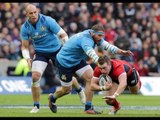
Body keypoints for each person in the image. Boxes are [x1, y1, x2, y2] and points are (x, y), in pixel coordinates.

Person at [48, 23, 134, 114]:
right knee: (66, 90)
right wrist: (103, 68)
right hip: (64, 63)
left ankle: (88, 108)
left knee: (90, 77)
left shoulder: (95, 37)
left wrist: (121, 52)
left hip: (77, 60)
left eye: (102, 35)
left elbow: (107, 46)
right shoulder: (86, 40)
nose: (101, 38)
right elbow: (92, 54)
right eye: (99, 35)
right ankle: (52, 98)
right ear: (93, 33)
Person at [20, 4, 85, 113]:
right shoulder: (25, 28)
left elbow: (63, 35)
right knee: (35, 77)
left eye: (35, 12)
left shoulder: (48, 20)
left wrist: (66, 49)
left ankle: (79, 90)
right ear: (26, 14)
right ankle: (36, 106)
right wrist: (27, 58)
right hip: (41, 53)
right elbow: (25, 46)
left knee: (66, 77)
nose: (34, 14)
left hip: (57, 50)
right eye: (31, 13)